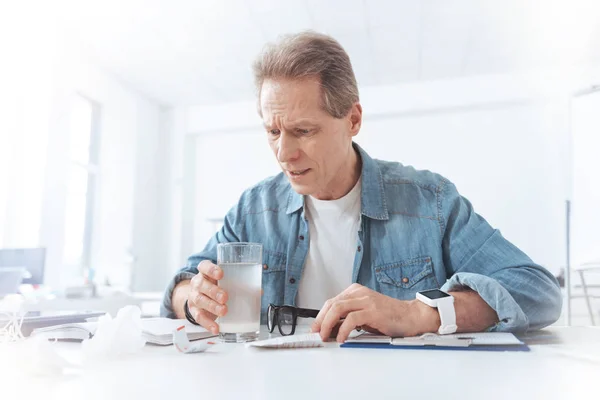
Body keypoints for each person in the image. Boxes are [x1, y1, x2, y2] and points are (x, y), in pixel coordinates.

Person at [161, 31, 562, 343]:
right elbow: (181, 285)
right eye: (272, 131)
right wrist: (193, 302)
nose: (284, 153)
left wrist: (419, 314)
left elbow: (537, 290)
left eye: (303, 131)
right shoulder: (253, 210)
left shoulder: (431, 203)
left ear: (352, 120)